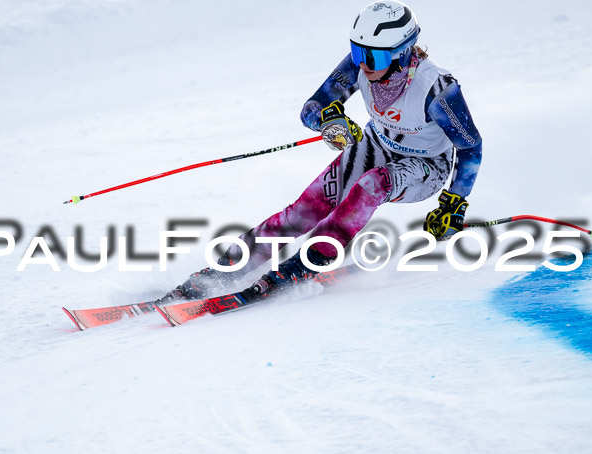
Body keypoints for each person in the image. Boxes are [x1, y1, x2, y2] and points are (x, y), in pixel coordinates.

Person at [158, 0, 482, 303]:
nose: (364, 64)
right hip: (376, 145)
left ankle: (305, 265)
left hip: (426, 166)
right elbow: (312, 108)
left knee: (374, 183)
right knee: (304, 211)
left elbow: (470, 146)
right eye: (358, 51)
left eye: (375, 57)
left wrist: (453, 203)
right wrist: (329, 118)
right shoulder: (359, 65)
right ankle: (224, 271)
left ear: (402, 53)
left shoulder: (437, 88)